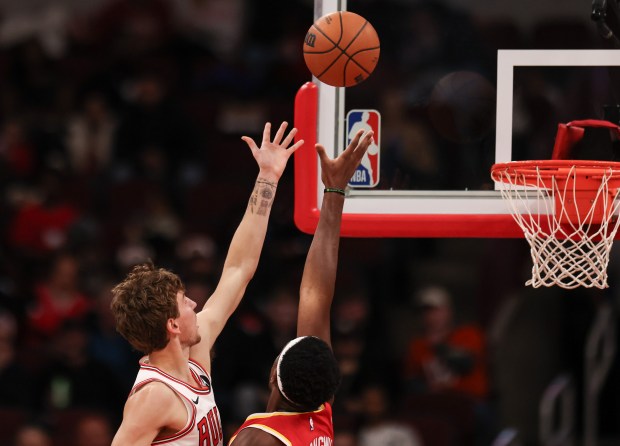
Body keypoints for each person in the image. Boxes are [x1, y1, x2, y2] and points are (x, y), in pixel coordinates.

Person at [109, 121, 303, 445]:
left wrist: (267, 177)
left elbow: (238, 269)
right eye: (185, 302)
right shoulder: (154, 397)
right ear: (172, 324)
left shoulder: (195, 352)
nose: (195, 304)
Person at [228, 128, 374, 445]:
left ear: (273, 375)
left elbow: (315, 296)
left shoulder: (260, 440)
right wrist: (334, 192)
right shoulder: (318, 412)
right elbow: (315, 295)